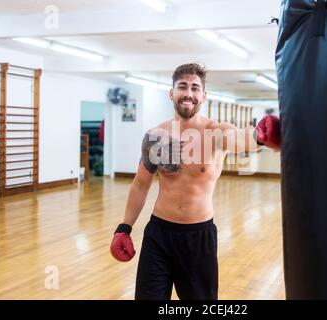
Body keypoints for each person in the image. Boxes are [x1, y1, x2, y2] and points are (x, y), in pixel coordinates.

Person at [110, 63, 281, 300]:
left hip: (198, 238)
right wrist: (124, 227)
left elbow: (241, 139)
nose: (188, 93)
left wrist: (259, 136)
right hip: (158, 234)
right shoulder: (155, 136)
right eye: (182, 86)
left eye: (195, 87)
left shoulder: (217, 132)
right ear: (172, 93)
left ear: (204, 95)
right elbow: (140, 184)